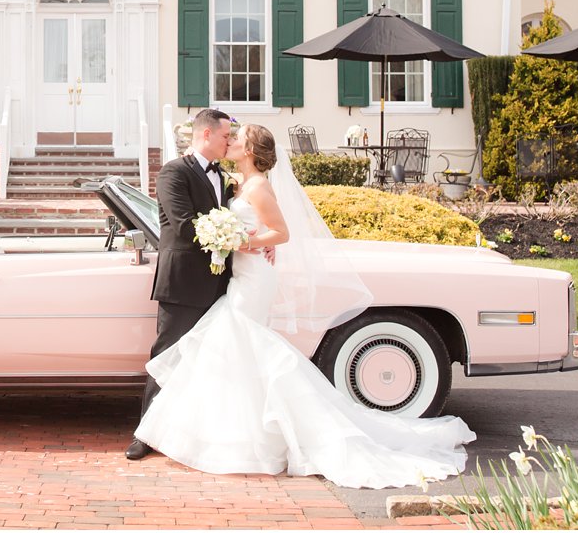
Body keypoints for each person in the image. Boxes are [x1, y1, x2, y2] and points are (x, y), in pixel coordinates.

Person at [132, 124, 476, 487]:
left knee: (239, 344)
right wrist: (250, 239)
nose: (230, 141)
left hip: (253, 279)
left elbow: (281, 231)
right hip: (237, 277)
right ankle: (230, 432)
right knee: (236, 351)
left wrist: (246, 242)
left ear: (249, 150)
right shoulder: (234, 182)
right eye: (227, 137)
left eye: (237, 138)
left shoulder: (259, 186)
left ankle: (246, 436)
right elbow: (236, 225)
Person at [126, 107, 237, 461]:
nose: (229, 142)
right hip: (184, 282)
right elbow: (184, 225)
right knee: (167, 357)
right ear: (206, 135)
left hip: (222, 283)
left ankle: (197, 435)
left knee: (211, 360)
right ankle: (145, 434)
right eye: (225, 136)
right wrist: (236, 237)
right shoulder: (173, 172)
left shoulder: (223, 175)